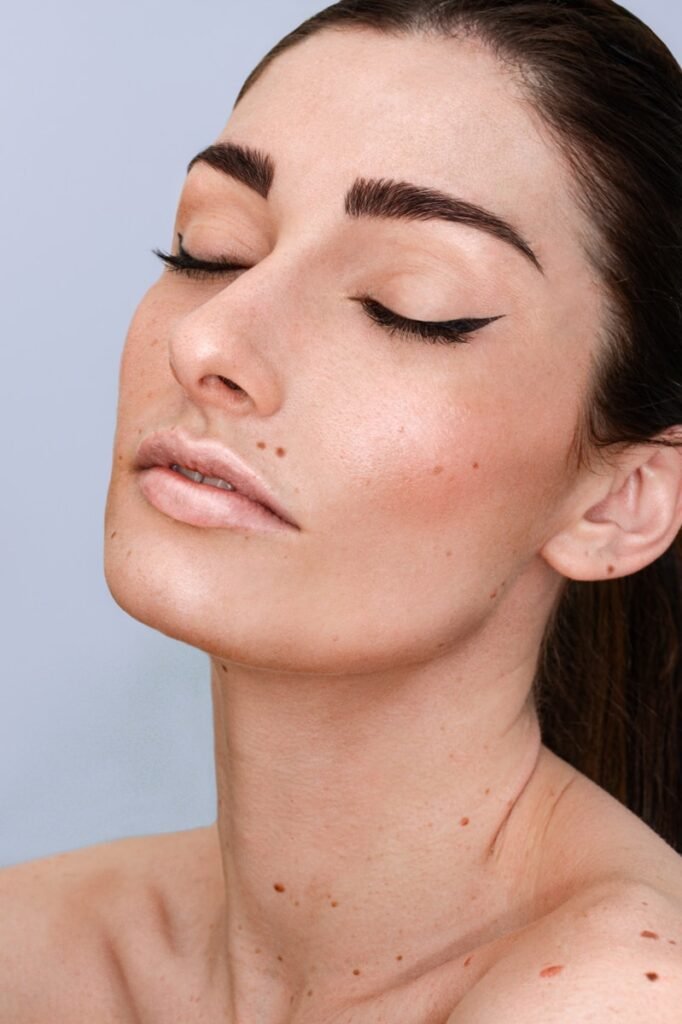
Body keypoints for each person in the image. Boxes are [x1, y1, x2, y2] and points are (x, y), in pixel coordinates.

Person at [2, 0, 681, 1020]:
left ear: (620, 503)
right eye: (211, 249)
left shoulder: (625, 994)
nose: (208, 342)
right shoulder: (37, 949)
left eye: (406, 306)